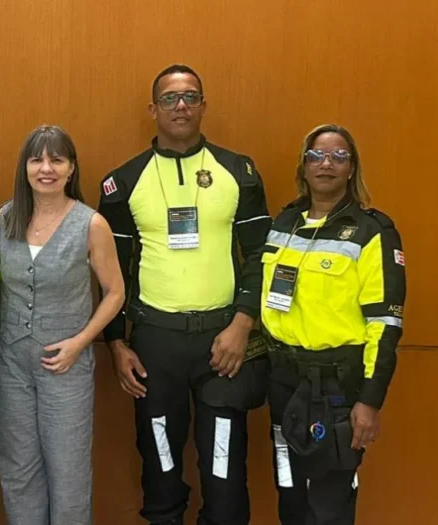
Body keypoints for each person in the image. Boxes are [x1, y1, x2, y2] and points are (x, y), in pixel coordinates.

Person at [98, 65, 272, 525]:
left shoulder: (238, 171)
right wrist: (116, 344)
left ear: (203, 106)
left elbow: (261, 254)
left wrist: (243, 324)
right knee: (159, 463)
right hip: (155, 347)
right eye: (170, 98)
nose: (181, 106)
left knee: (225, 470)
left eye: (190, 97)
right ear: (153, 109)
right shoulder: (123, 181)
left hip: (223, 344)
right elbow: (110, 274)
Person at [262, 124, 406, 525]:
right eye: (317, 155)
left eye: (338, 156)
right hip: (284, 382)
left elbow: (385, 324)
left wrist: (370, 400)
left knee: (328, 504)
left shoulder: (372, 231)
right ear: (304, 166)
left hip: (337, 389)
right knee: (289, 491)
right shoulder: (285, 222)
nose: (326, 163)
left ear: (351, 168)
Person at [0, 125, 124, 525]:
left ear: (72, 169)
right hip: (12, 363)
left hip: (66, 366)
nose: (46, 168)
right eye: (37, 160)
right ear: (25, 168)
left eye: (57, 160)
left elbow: (115, 292)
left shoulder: (91, 224)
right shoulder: (6, 217)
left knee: (68, 471)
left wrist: (80, 342)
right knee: (18, 467)